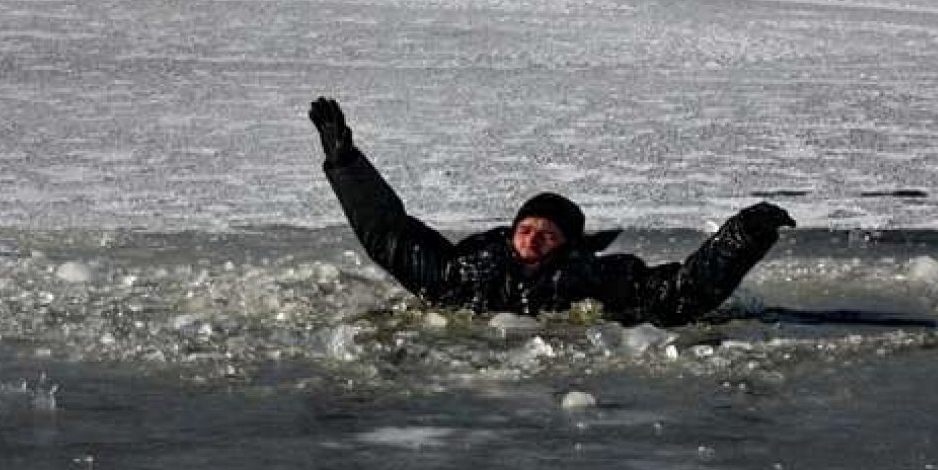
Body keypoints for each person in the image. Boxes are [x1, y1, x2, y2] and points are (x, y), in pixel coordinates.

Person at [309, 98, 795, 327]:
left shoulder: (598, 280)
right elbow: (389, 236)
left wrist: (742, 235)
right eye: (525, 229)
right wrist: (345, 164)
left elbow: (680, 295)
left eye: (547, 234)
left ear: (568, 245)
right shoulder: (466, 272)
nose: (532, 240)